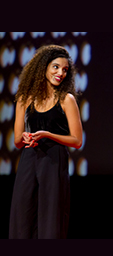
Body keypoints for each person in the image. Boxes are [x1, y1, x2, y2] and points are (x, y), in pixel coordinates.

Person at [9, 45, 83, 239]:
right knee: (23, 212)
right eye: (56, 67)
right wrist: (25, 137)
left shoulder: (66, 99)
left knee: (51, 216)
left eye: (65, 70)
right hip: (29, 158)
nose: (61, 73)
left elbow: (76, 140)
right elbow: (17, 140)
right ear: (43, 67)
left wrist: (48, 135)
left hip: (53, 160)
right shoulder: (25, 98)